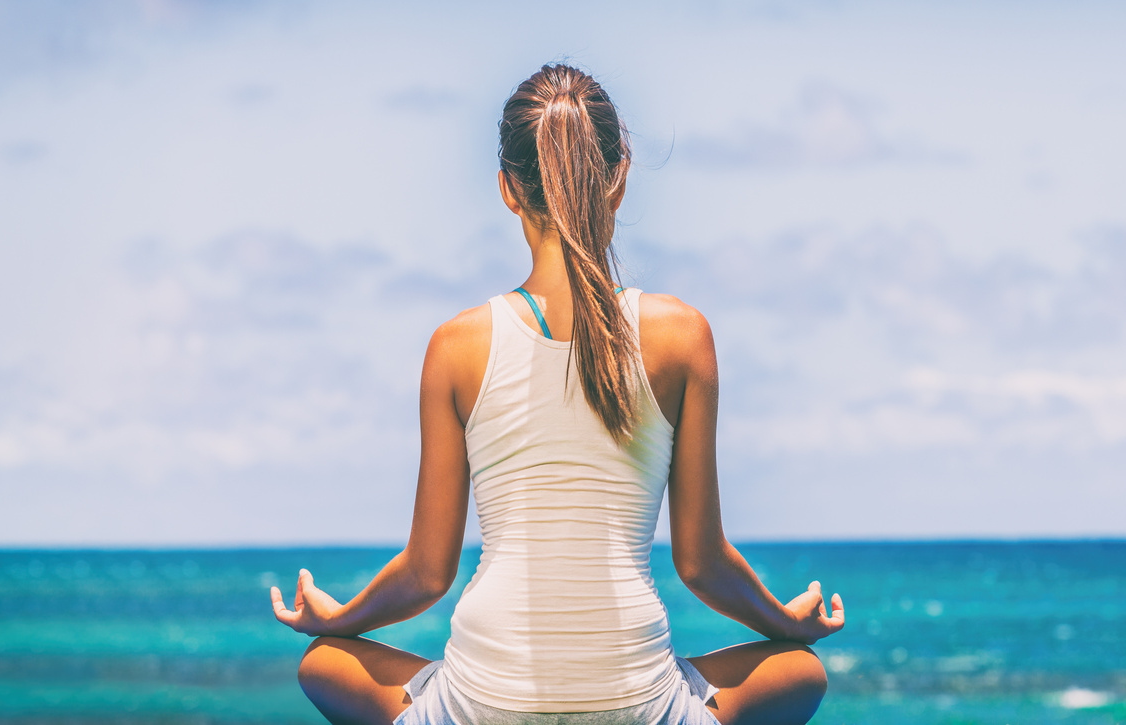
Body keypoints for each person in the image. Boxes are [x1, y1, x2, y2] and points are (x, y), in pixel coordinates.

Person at [269, 64, 844, 725]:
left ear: (509, 190)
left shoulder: (456, 345)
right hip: (637, 705)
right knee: (800, 671)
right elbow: (702, 563)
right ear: (619, 178)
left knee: (323, 660)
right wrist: (784, 622)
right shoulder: (682, 336)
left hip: (483, 704)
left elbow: (427, 573)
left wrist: (339, 617)